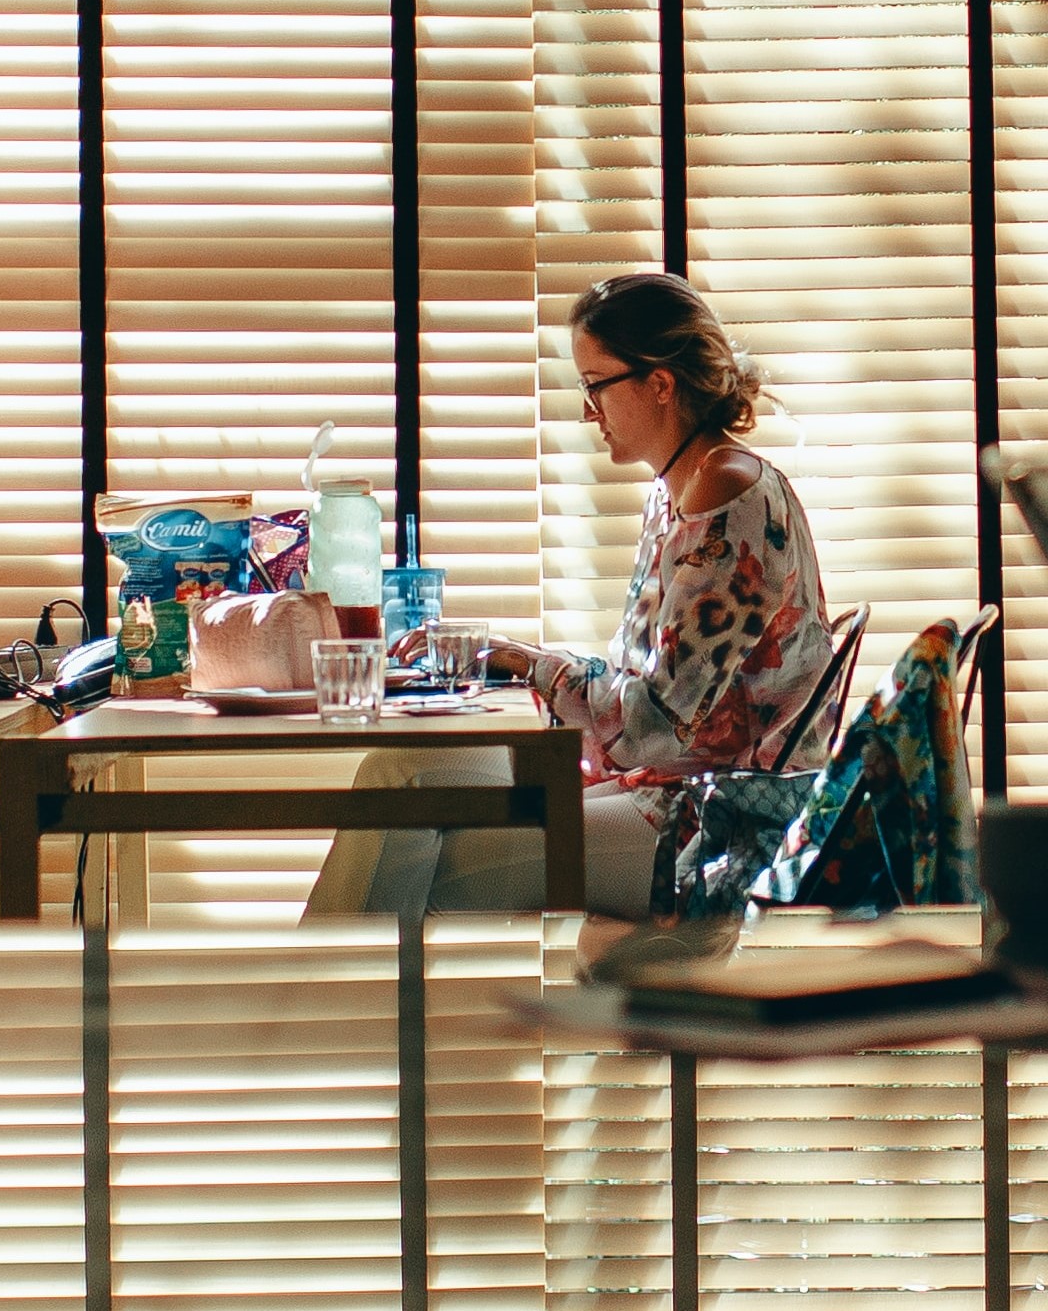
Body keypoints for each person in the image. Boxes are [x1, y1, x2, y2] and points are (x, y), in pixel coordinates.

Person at [319, 270, 835, 919]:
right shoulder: (675, 491)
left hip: (723, 821)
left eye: (595, 385)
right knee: (398, 775)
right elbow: (644, 689)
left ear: (660, 383)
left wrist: (532, 665)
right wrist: (521, 655)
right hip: (666, 784)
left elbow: (653, 726)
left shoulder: (727, 491)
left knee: (438, 862)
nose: (588, 411)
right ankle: (317, 979)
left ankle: (313, 979)